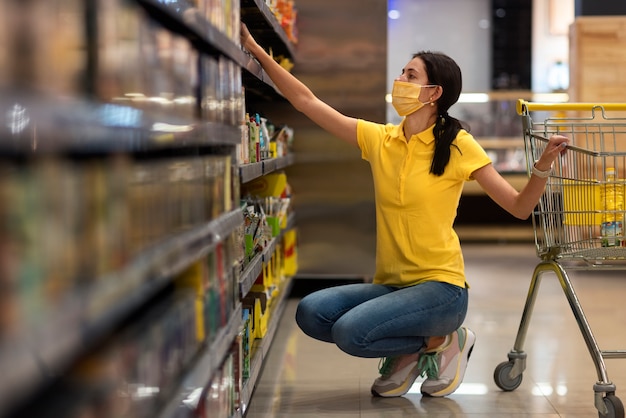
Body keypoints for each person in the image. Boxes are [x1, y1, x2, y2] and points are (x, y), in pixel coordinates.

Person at [240, 24, 568, 398]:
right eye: (402, 72)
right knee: (311, 312)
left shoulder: (459, 145)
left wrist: (543, 165)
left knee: (351, 332)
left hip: (440, 288)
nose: (400, 79)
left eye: (410, 75)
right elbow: (306, 101)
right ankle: (417, 350)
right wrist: (254, 48)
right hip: (392, 284)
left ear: (433, 93)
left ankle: (444, 340)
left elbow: (519, 207)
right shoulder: (381, 139)